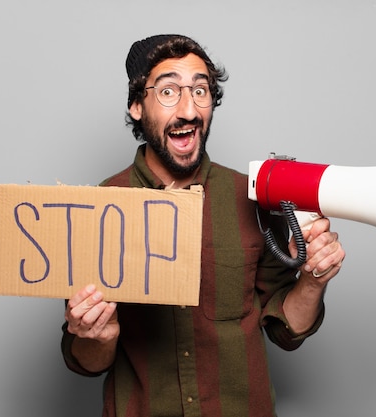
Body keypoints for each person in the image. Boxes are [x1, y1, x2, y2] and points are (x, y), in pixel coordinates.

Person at [61, 34, 346, 417]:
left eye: (200, 90)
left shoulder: (252, 198)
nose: (189, 110)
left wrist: (313, 280)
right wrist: (98, 335)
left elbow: (285, 330)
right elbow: (87, 361)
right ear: (135, 106)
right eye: (167, 92)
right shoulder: (100, 206)